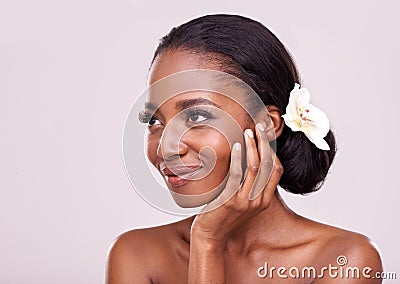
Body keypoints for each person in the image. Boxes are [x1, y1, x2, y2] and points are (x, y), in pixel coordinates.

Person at [106, 14, 383, 283]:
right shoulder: (137, 255)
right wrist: (207, 242)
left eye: (196, 117)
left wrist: (208, 241)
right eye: (154, 121)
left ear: (267, 124)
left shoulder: (343, 261)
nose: (167, 147)